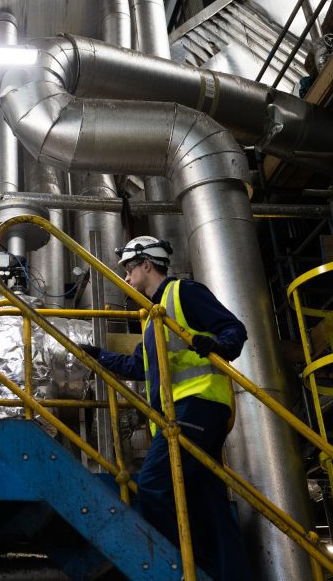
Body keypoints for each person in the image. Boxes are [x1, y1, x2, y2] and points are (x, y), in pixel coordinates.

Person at [85, 235, 251, 580]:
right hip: (179, 416)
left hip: (198, 407)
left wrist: (218, 344)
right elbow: (139, 368)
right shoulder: (152, 318)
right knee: (208, 501)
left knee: (154, 484)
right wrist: (97, 356)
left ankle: (181, 565)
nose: (127, 278)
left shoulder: (184, 293)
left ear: (147, 265)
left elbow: (235, 329)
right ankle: (224, 573)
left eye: (130, 269)